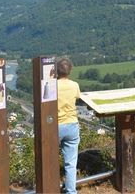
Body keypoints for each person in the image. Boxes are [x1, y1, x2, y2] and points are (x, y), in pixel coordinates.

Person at [57, 58, 81, 194]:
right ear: (70, 71)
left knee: (49, 158)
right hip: (71, 124)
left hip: (56, 126)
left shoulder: (52, 85)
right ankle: (71, 191)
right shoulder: (74, 85)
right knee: (71, 163)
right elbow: (77, 97)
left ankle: (49, 186)